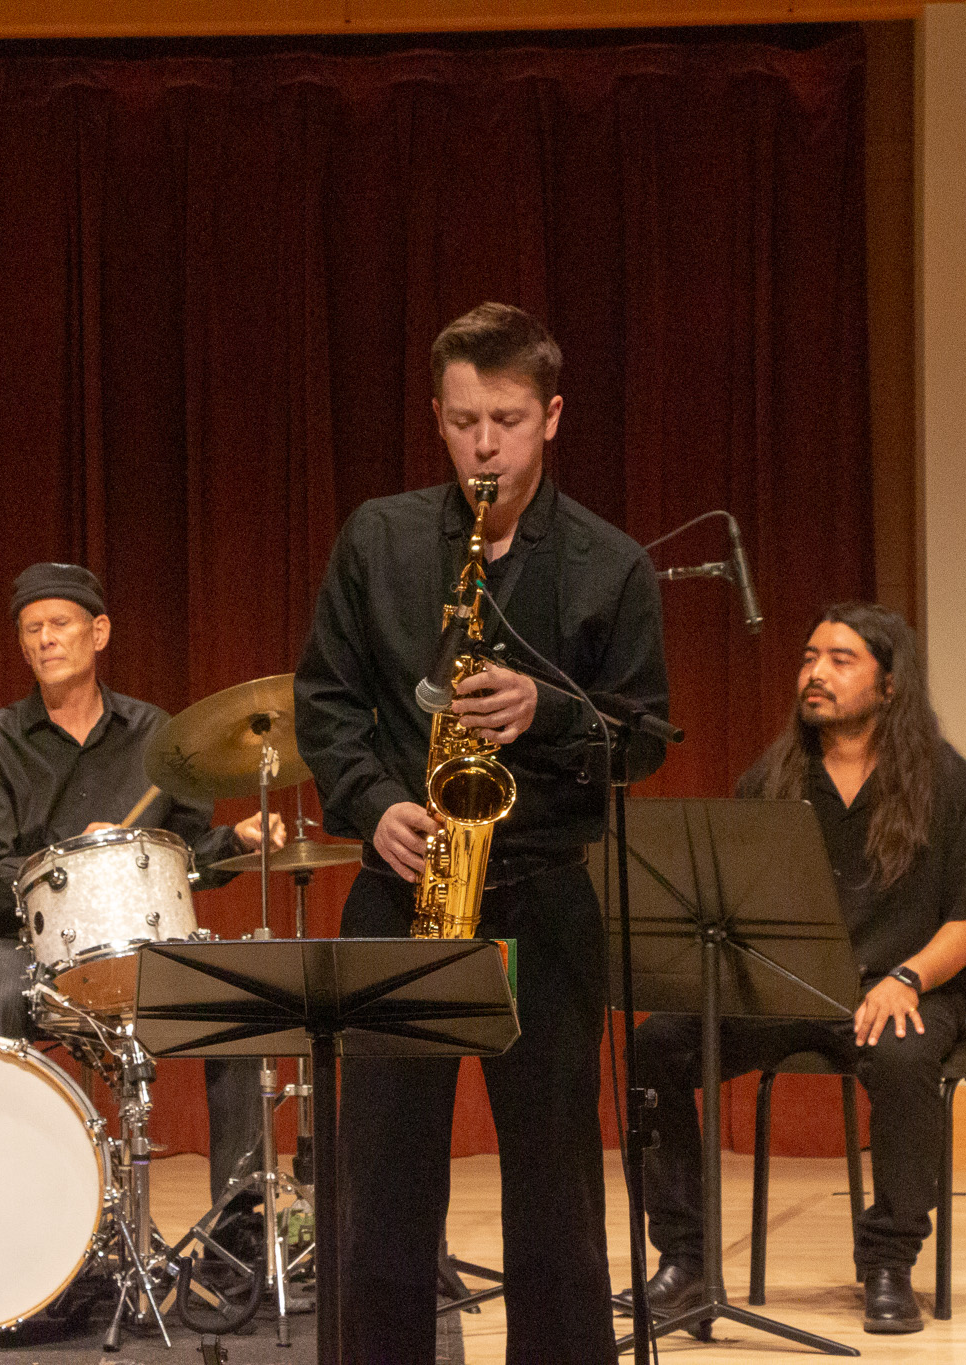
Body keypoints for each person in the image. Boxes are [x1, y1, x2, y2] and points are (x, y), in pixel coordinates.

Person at [294, 302, 669, 1364]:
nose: (484, 447)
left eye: (505, 420)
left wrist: (546, 712)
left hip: (540, 891)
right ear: (436, 415)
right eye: (462, 422)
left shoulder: (609, 564)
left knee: (551, 1180)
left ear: (551, 416)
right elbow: (324, 702)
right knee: (383, 1176)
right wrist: (374, 805)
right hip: (402, 880)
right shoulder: (377, 536)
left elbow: (641, 738)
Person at [636, 603, 966, 1334]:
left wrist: (907, 978)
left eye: (841, 659)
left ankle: (890, 1260)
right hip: (787, 986)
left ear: (890, 685)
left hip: (899, 988)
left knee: (902, 1059)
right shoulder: (770, 780)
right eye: (809, 657)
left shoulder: (948, 783)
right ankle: (686, 1258)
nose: (816, 672)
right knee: (657, 1045)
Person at [0, 562, 282, 1208]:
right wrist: (75, 860)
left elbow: (179, 860)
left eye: (60, 624)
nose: (45, 639)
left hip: (146, 943)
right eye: (31, 630)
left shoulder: (160, 738)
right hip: (31, 948)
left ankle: (237, 1226)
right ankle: (0, 1210)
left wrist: (235, 841)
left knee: (244, 1001)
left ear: (98, 632)